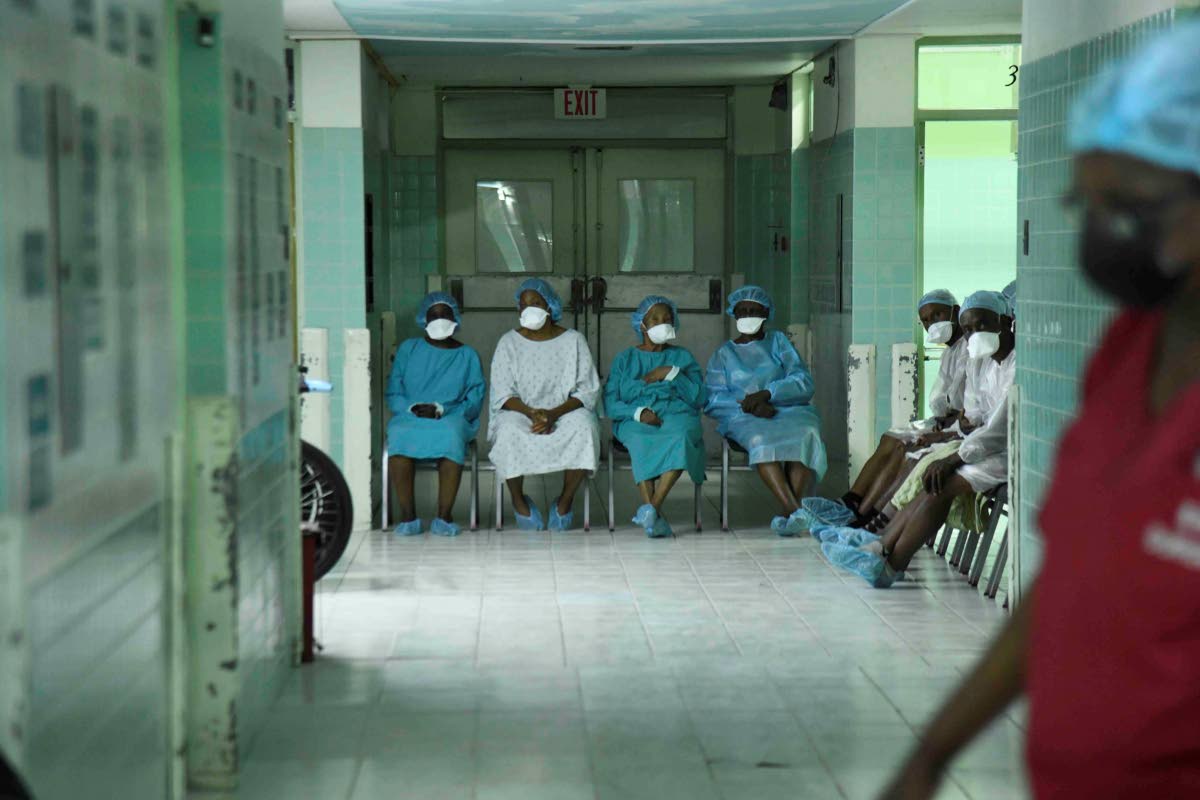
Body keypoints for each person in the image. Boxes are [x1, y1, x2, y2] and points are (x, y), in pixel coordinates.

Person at [881, 24, 1200, 798]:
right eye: (1084, 204)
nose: (1099, 238)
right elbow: (1071, 588)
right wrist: (931, 757)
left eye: (1125, 207)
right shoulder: (1129, 355)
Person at [822, 290, 1015, 587]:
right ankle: (881, 546)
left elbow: (999, 430)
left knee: (942, 482)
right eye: (968, 329)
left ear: (1005, 319)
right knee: (930, 475)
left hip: (1009, 451)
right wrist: (964, 429)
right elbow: (972, 414)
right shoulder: (981, 361)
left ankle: (890, 562)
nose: (973, 334)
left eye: (981, 325)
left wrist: (955, 455)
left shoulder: (1019, 365)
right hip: (977, 443)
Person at [838, 289, 968, 527]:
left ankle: (868, 514)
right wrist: (940, 418)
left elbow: (966, 406)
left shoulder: (970, 350)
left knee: (903, 449)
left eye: (937, 315)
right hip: (945, 419)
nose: (932, 324)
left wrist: (944, 424)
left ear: (955, 312)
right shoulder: (950, 351)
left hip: (958, 424)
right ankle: (853, 500)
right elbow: (943, 400)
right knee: (890, 437)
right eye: (926, 320)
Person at [704, 285, 827, 535]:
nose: (748, 315)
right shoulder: (724, 355)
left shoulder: (778, 342)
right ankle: (795, 509)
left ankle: (789, 514)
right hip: (743, 417)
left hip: (789, 408)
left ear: (766, 314)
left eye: (754, 310)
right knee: (761, 439)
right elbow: (713, 398)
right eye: (743, 311)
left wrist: (769, 394)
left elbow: (802, 380)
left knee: (806, 432)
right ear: (734, 315)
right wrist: (751, 407)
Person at [488, 278, 601, 531]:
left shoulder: (573, 341)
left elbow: (587, 390)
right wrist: (533, 413)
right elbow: (503, 392)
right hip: (520, 411)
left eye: (535, 302)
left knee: (585, 427)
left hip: (564, 410)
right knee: (507, 431)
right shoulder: (509, 342)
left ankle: (564, 502)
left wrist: (553, 414)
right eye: (523, 304)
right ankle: (518, 501)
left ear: (550, 305)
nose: (528, 309)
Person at [604, 296, 707, 538]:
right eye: (655, 319)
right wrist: (638, 413)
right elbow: (610, 402)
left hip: (677, 413)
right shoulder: (625, 360)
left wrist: (671, 374)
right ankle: (653, 515)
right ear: (642, 324)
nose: (662, 323)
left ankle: (652, 508)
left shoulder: (682, 357)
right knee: (640, 440)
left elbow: (699, 397)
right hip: (635, 418)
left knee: (681, 437)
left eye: (667, 319)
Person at [385, 291, 486, 537]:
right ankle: (408, 517)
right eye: (434, 315)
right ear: (424, 319)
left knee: (451, 435)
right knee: (398, 434)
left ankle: (444, 516)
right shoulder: (409, 349)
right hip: (411, 414)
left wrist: (441, 409)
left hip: (452, 416)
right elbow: (394, 390)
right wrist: (411, 408)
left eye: (445, 314)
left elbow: (475, 397)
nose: (439, 319)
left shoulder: (467, 355)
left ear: (456, 319)